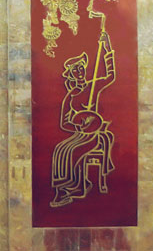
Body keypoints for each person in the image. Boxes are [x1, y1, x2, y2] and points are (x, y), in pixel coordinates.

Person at [50, 31, 116, 208]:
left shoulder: (93, 86)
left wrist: (107, 48)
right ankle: (65, 189)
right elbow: (64, 123)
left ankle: (68, 189)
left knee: (71, 149)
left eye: (81, 68)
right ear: (71, 74)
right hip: (81, 133)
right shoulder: (71, 96)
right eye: (75, 70)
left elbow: (111, 76)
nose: (79, 72)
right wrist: (78, 126)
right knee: (60, 148)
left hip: (95, 134)